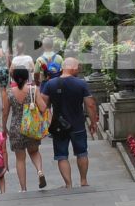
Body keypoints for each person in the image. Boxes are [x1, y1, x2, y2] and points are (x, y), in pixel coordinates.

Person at [39, 58, 98, 188]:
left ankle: (68, 184)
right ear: (71, 67)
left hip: (59, 126)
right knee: (82, 153)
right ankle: (83, 181)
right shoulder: (81, 84)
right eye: (78, 67)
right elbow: (91, 104)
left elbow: (43, 105)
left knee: (62, 156)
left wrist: (48, 119)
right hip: (78, 124)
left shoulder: (50, 84)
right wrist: (93, 122)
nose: (79, 70)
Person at [3, 57, 48, 191]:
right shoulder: (33, 90)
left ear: (14, 78)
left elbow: (5, 112)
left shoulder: (9, 93)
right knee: (34, 152)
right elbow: (44, 107)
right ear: (27, 76)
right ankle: (39, 171)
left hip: (16, 128)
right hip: (32, 127)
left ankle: (23, 188)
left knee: (20, 158)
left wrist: (4, 126)